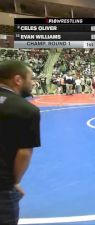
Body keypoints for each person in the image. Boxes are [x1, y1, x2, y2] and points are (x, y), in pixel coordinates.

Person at [0, 60, 41, 225]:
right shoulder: (26, 110)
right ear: (18, 80)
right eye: (30, 78)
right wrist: (14, 182)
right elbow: (24, 153)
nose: (32, 83)